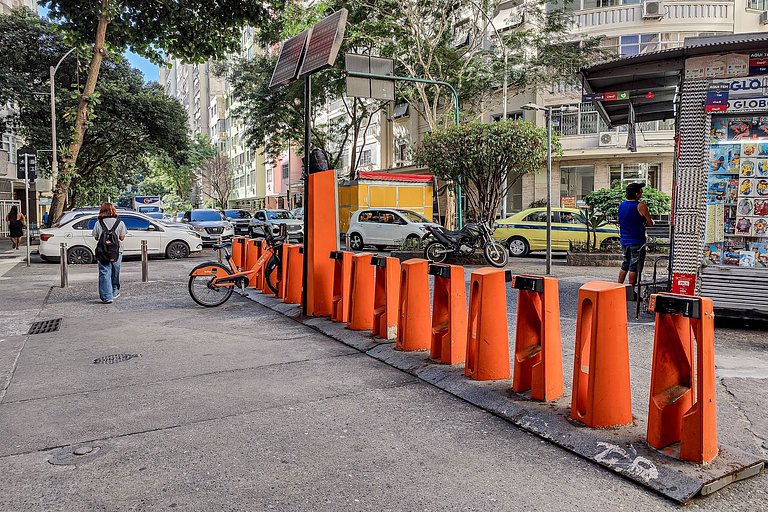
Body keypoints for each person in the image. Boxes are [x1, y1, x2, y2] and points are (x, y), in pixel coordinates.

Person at [617, 183, 654, 286]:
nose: (642, 193)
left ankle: (617, 287)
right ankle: (632, 292)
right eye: (641, 192)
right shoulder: (641, 205)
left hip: (624, 240)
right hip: (637, 241)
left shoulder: (622, 205)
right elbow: (650, 223)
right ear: (637, 194)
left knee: (625, 264)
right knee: (634, 266)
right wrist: (646, 222)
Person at [92, 203, 127, 304]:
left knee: (104, 272)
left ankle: (107, 297)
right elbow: (122, 238)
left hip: (102, 252)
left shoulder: (98, 223)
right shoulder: (120, 222)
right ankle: (115, 291)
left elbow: (96, 237)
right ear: (113, 210)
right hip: (117, 251)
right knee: (115, 271)